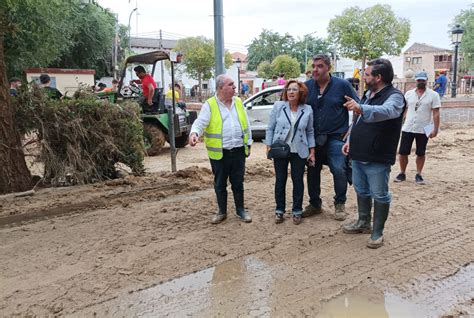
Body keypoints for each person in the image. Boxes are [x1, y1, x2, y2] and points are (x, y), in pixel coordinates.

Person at [341, 58, 405, 249]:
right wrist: (350, 140)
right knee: (361, 190)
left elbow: (387, 111)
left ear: (378, 77)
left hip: (377, 156)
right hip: (359, 153)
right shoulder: (368, 93)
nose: (363, 77)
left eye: (367, 74)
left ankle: (377, 232)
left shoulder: (395, 96)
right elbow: (358, 122)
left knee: (380, 194)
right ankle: (363, 222)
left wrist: (360, 107)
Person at [189, 74, 253, 224]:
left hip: (238, 150)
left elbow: (246, 124)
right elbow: (200, 123)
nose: (234, 87)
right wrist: (194, 133)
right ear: (221, 87)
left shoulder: (238, 102)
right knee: (220, 183)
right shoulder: (210, 105)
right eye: (231, 85)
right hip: (220, 153)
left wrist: (248, 143)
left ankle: (241, 210)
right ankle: (222, 212)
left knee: (238, 182)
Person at [303, 54, 359, 221]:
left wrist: (351, 131)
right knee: (312, 172)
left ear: (328, 68)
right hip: (313, 139)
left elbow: (359, 108)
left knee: (339, 170)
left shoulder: (343, 85)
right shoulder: (307, 87)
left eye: (319, 66)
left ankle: (340, 204)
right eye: (314, 66)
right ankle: (315, 204)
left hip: (336, 138)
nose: (315, 69)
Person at [265, 80, 315, 225]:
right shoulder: (278, 106)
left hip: (299, 150)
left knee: (298, 180)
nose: (291, 92)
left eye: (294, 89)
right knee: (280, 180)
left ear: (301, 93)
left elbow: (310, 131)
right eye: (289, 89)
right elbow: (271, 128)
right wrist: (268, 146)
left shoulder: (308, 109)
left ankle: (297, 211)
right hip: (280, 149)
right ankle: (279, 210)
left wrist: (312, 151)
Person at [394, 71, 441, 185]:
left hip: (424, 127)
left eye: (423, 80)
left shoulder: (433, 95)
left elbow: (436, 113)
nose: (421, 82)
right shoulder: (408, 94)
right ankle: (402, 172)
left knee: (421, 152)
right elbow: (404, 110)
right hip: (408, 126)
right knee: (403, 152)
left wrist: (435, 129)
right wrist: (399, 124)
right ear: (416, 80)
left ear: (426, 80)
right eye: (419, 80)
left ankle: (419, 174)